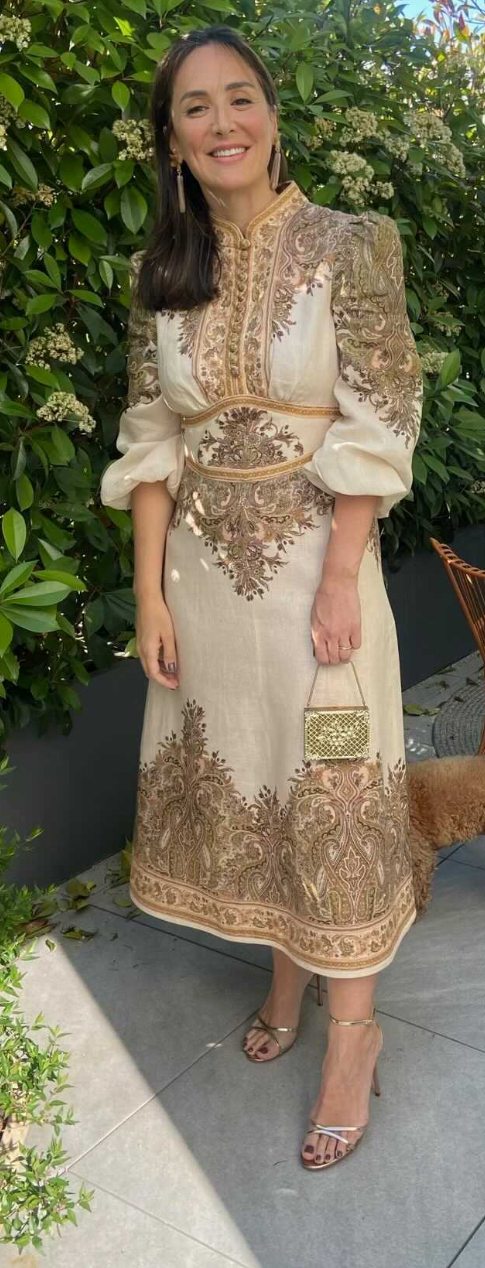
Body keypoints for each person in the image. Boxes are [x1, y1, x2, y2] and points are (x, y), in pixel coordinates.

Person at [100, 24, 423, 1172]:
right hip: (204, 586)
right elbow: (149, 440)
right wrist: (148, 595)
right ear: (172, 141)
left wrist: (339, 577)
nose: (221, 121)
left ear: (272, 113)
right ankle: (285, 976)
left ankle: (352, 1033)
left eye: (239, 96)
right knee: (257, 770)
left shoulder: (348, 243)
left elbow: (380, 415)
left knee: (332, 781)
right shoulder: (162, 275)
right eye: (194, 107)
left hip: (317, 583)